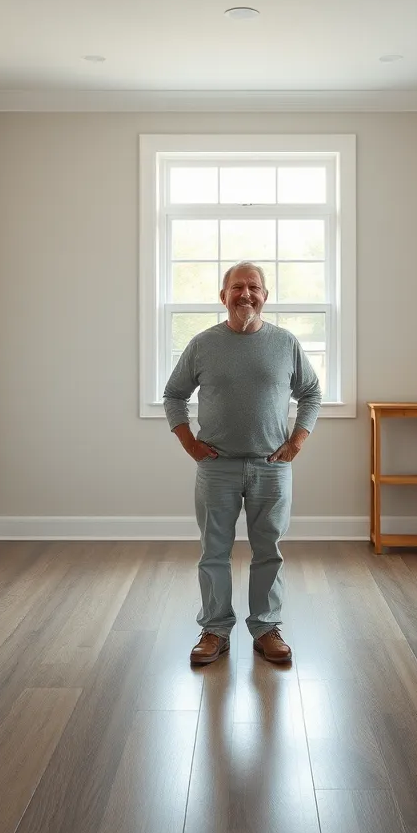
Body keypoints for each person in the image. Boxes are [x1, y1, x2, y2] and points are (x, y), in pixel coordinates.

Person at [163, 261, 323, 665]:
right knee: (214, 551)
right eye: (237, 287)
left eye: (254, 287)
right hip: (217, 467)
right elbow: (173, 395)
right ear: (223, 296)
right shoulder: (203, 344)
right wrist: (189, 444)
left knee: (268, 549)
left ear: (265, 297)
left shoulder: (286, 343)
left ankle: (266, 627)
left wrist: (297, 441)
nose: (246, 294)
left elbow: (311, 393)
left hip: (271, 466)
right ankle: (214, 630)